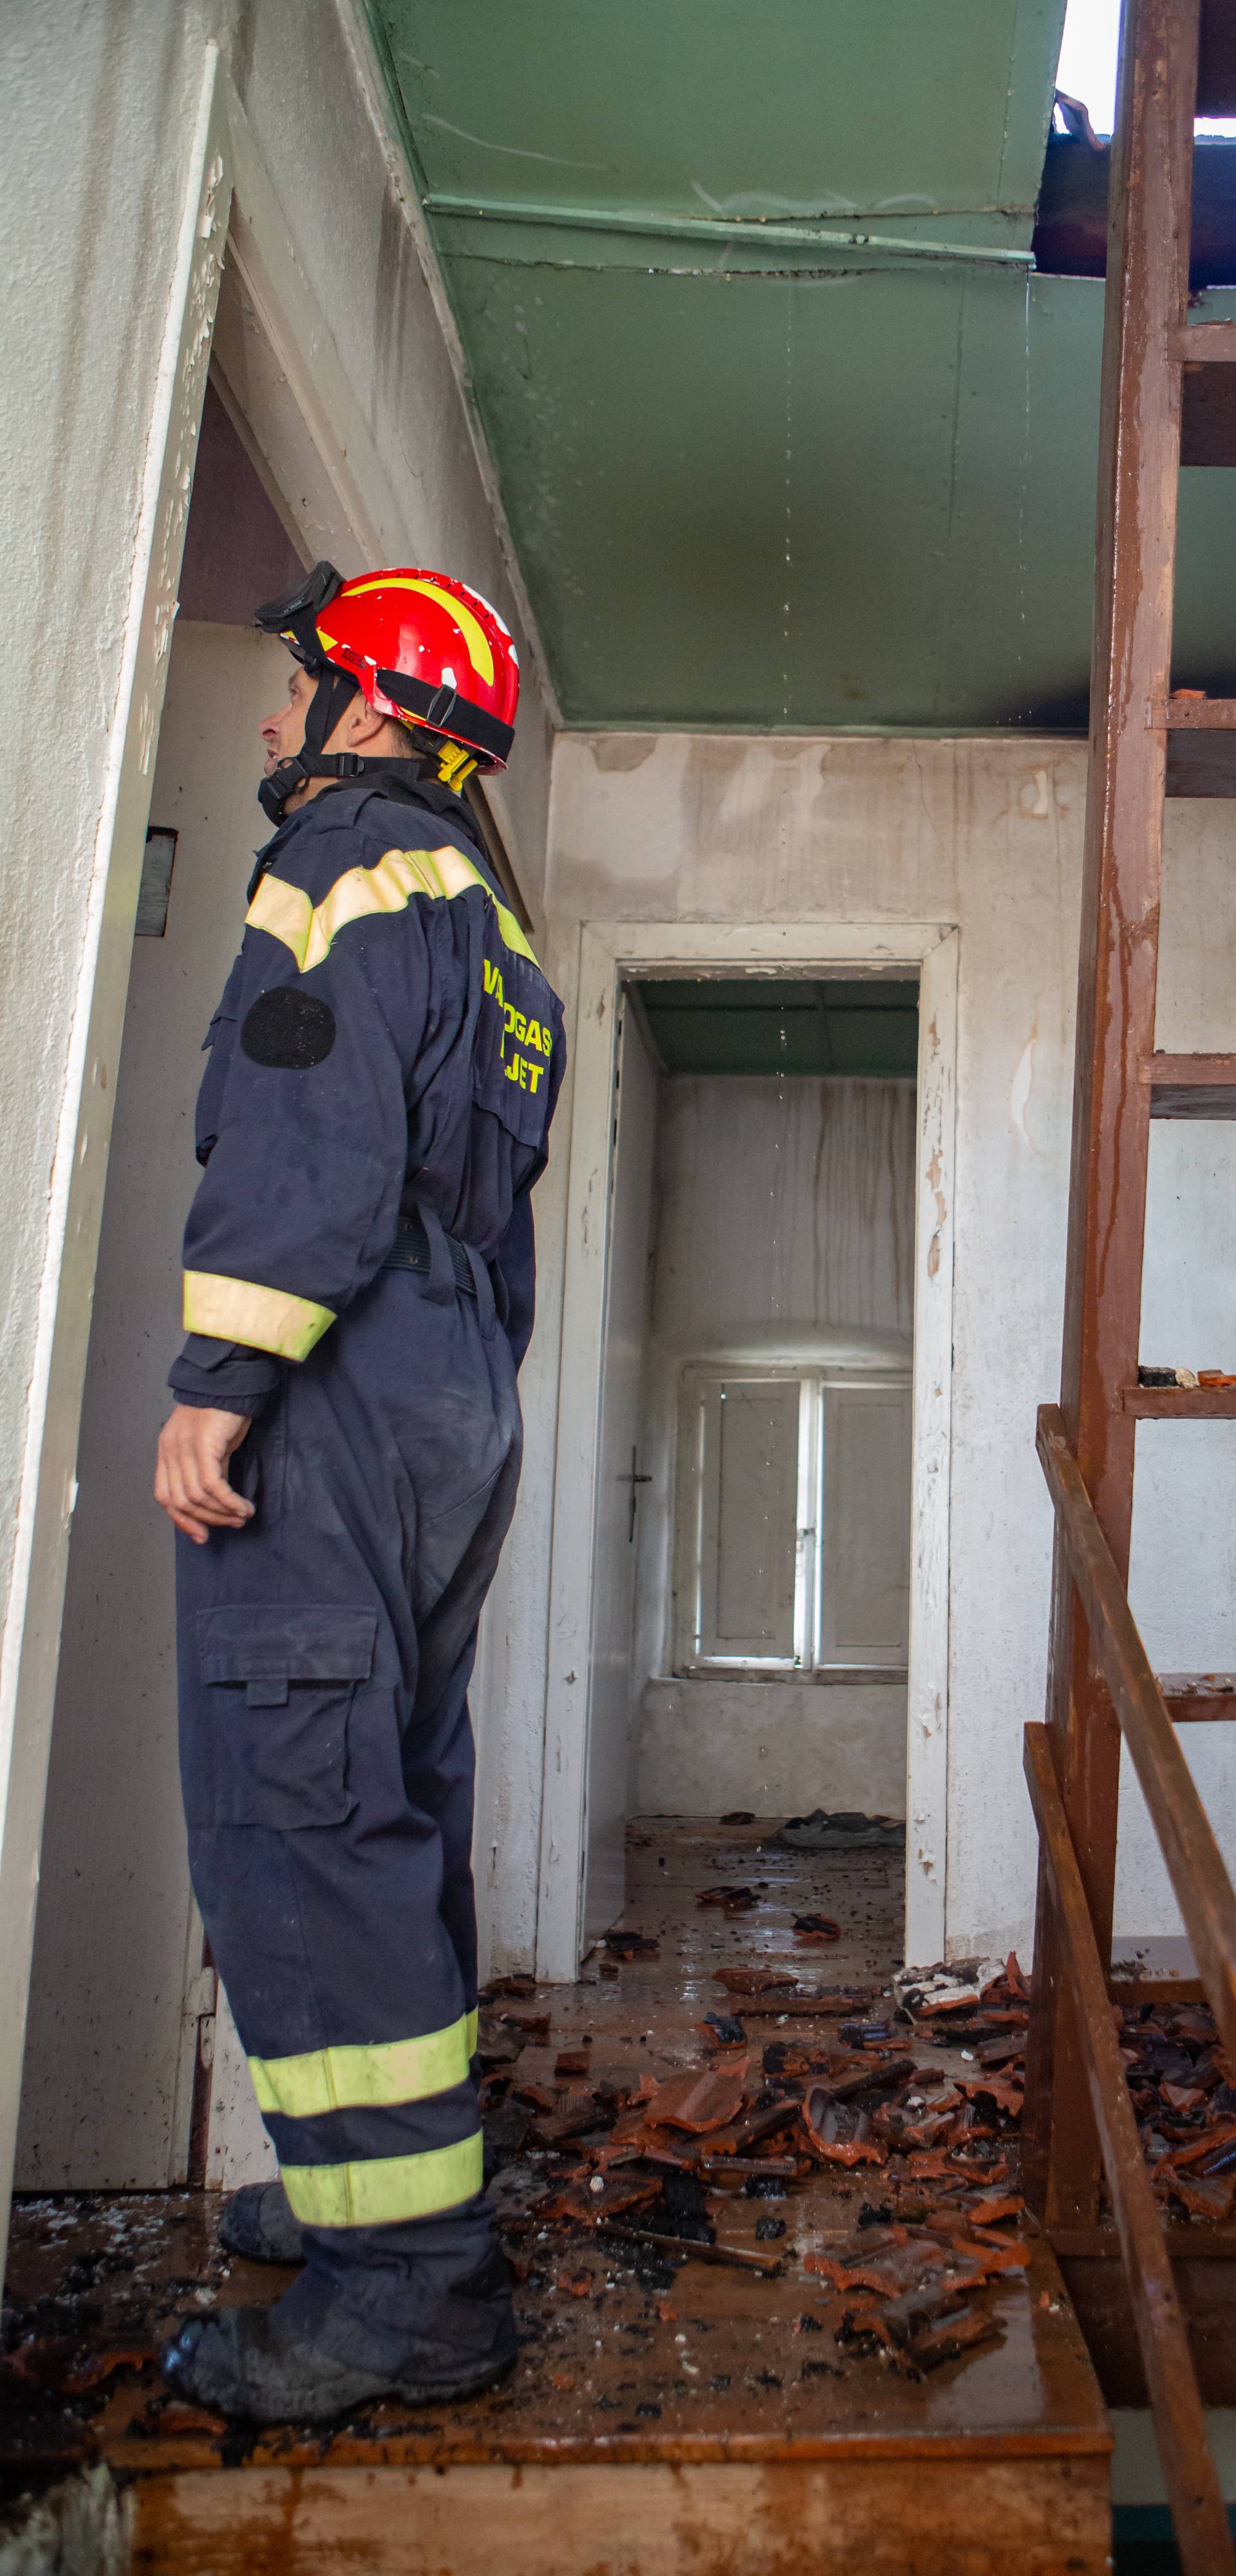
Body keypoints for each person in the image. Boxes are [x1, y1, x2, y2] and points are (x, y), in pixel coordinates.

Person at [154, 562, 564, 2422]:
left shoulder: (341, 864)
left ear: (374, 710)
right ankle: (375, 2198)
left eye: (296, 685)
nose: (270, 721)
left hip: (336, 1375)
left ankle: (408, 2290)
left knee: (304, 1817)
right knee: (391, 1800)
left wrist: (220, 1384)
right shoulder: (495, 921)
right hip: (449, 1386)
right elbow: (490, 1225)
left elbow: (306, 1133)